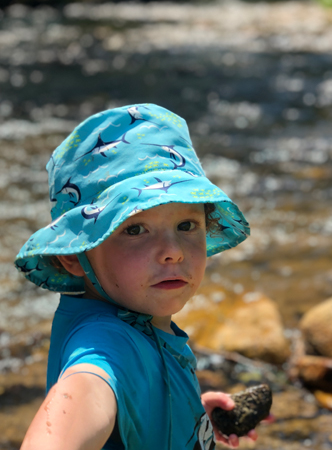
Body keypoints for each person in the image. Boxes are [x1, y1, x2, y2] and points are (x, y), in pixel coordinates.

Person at [16, 104, 255, 450]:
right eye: (135, 230)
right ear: (73, 255)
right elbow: (81, 397)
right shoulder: (107, 346)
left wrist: (191, 419)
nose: (172, 251)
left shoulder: (138, 320)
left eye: (186, 225)